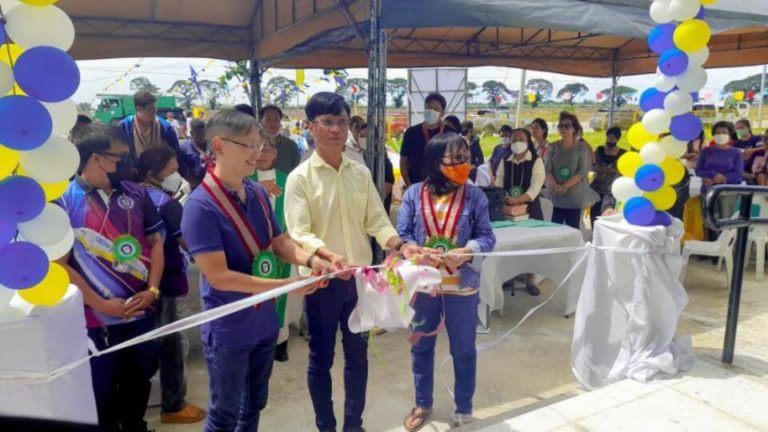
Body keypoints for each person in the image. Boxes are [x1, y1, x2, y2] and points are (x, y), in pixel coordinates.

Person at [181, 110, 332, 432]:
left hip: (265, 323)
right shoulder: (200, 207)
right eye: (249, 145)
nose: (257, 153)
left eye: (260, 145)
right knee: (224, 413)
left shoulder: (259, 194)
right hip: (230, 329)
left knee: (254, 406)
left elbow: (279, 242)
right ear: (219, 145)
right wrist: (285, 285)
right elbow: (219, 276)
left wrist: (309, 260)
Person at [284, 92, 422, 432]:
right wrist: (329, 257)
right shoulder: (299, 178)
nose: (336, 130)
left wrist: (401, 245)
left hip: (360, 283)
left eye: (342, 122)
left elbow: (376, 220)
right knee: (321, 357)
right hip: (323, 283)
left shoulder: (359, 173)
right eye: (327, 123)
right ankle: (326, 426)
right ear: (310, 127)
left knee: (357, 356)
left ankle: (353, 425)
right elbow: (299, 233)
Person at [56, 123, 165, 432]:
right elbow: (60, 264)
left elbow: (157, 243)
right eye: (117, 157)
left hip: (141, 313)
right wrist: (101, 305)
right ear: (94, 158)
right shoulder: (63, 201)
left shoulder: (136, 193)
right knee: (101, 394)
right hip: (95, 322)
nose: (125, 163)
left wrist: (153, 290)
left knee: (138, 383)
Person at [398, 132, 496, 431]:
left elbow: (487, 237)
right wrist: (414, 249)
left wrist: (469, 251)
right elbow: (402, 234)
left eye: (465, 158)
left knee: (464, 350)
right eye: (454, 160)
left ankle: (464, 407)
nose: (463, 165)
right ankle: (422, 404)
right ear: (435, 161)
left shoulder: (475, 195)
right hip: (425, 287)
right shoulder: (414, 193)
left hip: (461, 288)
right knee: (421, 347)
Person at [137, 147, 207, 425]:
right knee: (172, 342)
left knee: (150, 342)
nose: (176, 174)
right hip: (166, 280)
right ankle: (174, 404)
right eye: (172, 169)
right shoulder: (166, 203)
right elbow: (187, 241)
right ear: (157, 171)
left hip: (137, 280)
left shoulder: (131, 193)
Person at [249, 136, 294, 362]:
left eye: (266, 148)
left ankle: (280, 340)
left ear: (275, 153)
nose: (262, 153)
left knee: (281, 294)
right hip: (254, 247)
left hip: (282, 245)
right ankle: (259, 339)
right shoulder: (244, 180)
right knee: (257, 293)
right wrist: (257, 188)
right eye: (257, 148)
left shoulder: (288, 180)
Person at [493, 128, 545, 296]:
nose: (517, 143)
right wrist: (504, 198)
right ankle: (509, 277)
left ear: (528, 141)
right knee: (509, 244)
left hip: (530, 208)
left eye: (521, 139)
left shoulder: (536, 161)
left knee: (532, 245)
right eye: (514, 140)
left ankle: (531, 280)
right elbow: (499, 183)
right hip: (508, 209)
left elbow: (536, 187)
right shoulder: (504, 160)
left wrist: (519, 199)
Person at [545, 112, 599, 229]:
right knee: (554, 228)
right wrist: (555, 186)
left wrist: (565, 186)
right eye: (561, 126)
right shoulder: (552, 147)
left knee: (573, 229)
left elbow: (583, 172)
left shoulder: (582, 148)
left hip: (575, 196)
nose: (564, 129)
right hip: (555, 195)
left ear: (575, 129)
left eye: (567, 126)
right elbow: (547, 169)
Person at [118, 91, 188, 181]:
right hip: (135, 176)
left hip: (162, 176)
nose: (154, 111)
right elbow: (119, 155)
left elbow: (176, 152)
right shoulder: (124, 126)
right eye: (150, 109)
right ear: (139, 108)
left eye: (155, 108)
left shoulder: (164, 127)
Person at [696, 121, 744, 240]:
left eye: (724, 132)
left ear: (730, 134)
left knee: (725, 219)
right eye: (718, 132)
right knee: (708, 219)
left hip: (727, 192)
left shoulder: (736, 153)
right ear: (713, 134)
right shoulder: (706, 151)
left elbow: (738, 173)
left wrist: (722, 178)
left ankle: (725, 248)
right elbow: (698, 170)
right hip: (707, 190)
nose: (721, 135)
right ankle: (710, 247)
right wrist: (712, 175)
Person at [401, 92, 447, 188]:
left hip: (444, 188)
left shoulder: (450, 133)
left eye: (435, 109)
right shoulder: (411, 133)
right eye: (428, 108)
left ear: (442, 113)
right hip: (417, 187)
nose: (431, 111)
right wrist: (410, 186)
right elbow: (403, 162)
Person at [590, 127, 626, 228]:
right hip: (597, 189)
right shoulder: (599, 150)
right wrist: (600, 170)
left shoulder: (623, 154)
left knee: (607, 214)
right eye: (608, 137)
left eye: (612, 138)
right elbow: (592, 165)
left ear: (617, 139)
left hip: (612, 190)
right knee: (594, 216)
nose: (609, 140)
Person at [358, 122, 396, 214]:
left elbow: (385, 190)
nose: (363, 139)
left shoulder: (383, 162)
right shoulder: (358, 158)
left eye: (367, 137)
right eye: (361, 136)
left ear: (375, 140)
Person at [259, 105, 302, 175]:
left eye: (276, 120)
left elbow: (298, 172)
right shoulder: (253, 145)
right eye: (268, 119)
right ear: (261, 122)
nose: (273, 123)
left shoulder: (291, 146)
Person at [179, 119, 212, 187]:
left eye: (204, 134)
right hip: (197, 184)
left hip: (214, 181)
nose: (202, 137)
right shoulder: (184, 148)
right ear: (191, 133)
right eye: (198, 134)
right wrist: (196, 185)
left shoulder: (212, 144)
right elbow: (183, 170)